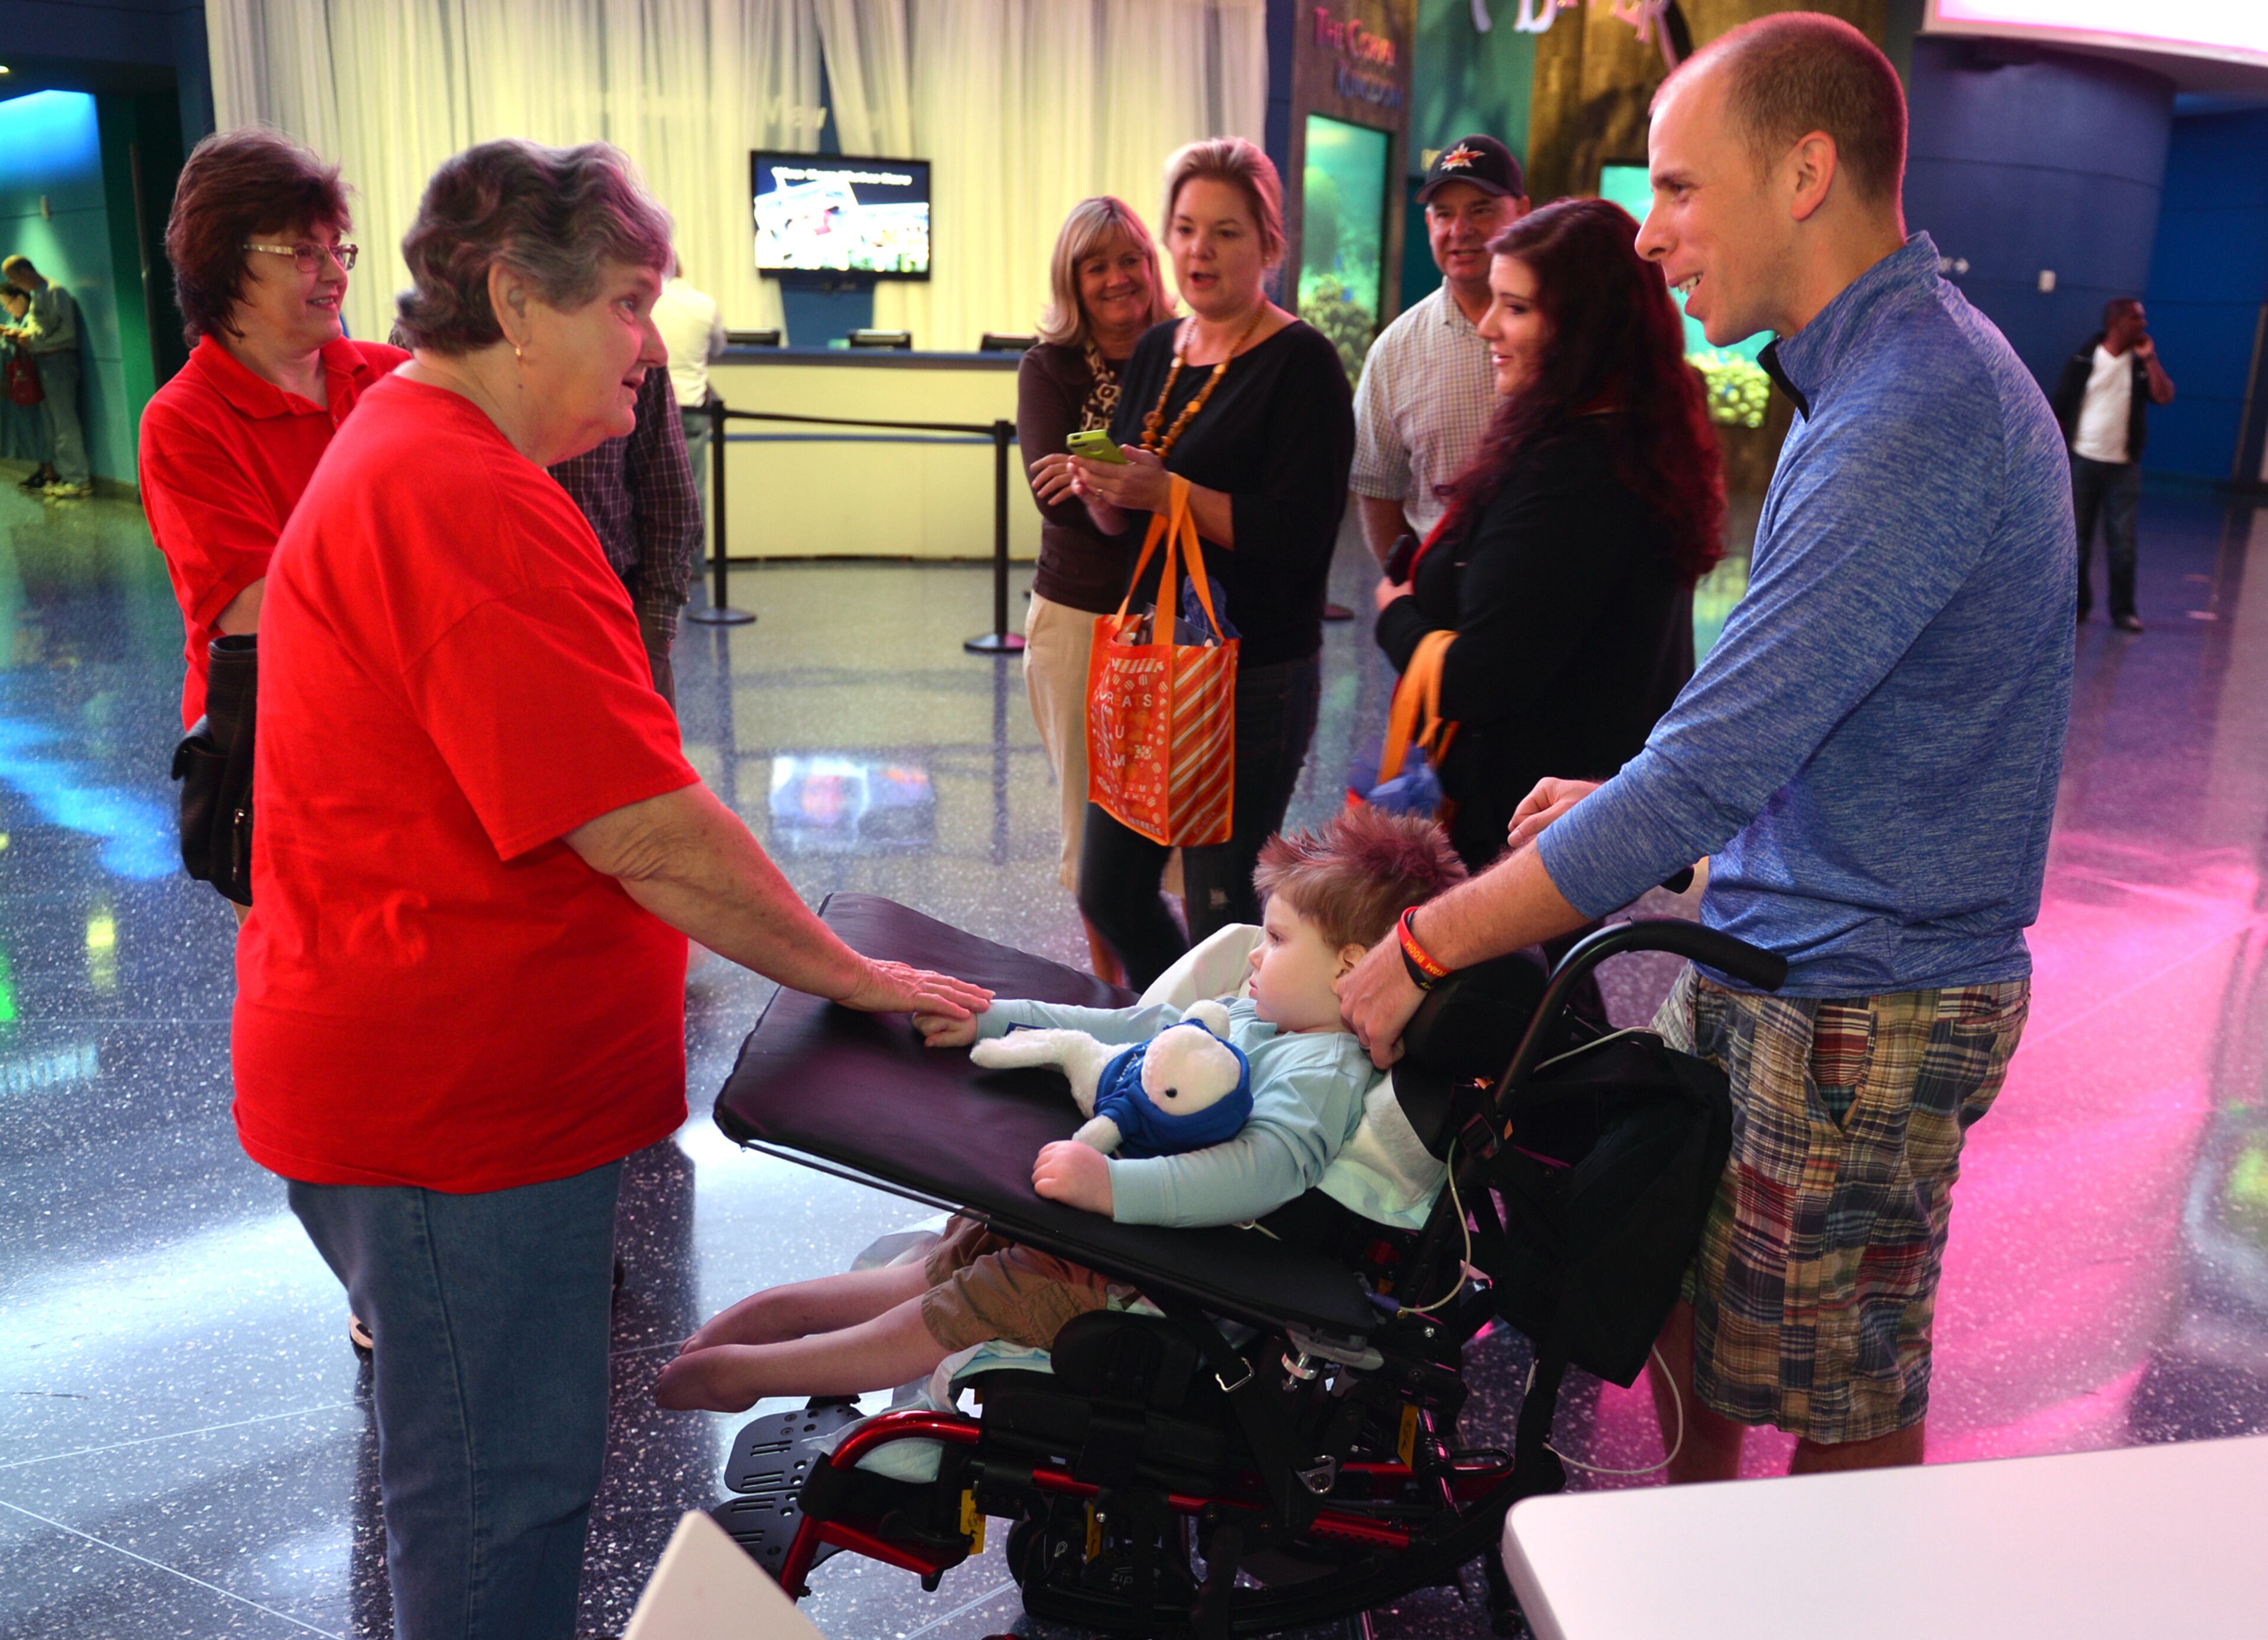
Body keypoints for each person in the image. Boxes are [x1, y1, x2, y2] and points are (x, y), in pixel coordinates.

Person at [236, 137, 990, 1639]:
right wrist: (854, 974)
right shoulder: (463, 498)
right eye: (629, 303)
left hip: (432, 1085)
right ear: (518, 299)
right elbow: (639, 825)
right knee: (495, 1505)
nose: (651, 339)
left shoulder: (426, 457)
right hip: (453, 1114)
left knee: (480, 1485)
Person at [1340, 12, 2073, 1483]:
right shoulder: (1859, 377)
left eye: (1676, 189)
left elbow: (1706, 765)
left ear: (1803, 172)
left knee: (1838, 1390)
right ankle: (1689, 1549)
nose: (1650, 234)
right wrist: (1637, 800)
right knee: (1677, 1283)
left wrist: (1422, 943)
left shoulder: (1908, 409)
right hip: (1786, 957)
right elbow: (1793, 716)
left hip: (1866, 998)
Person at [651, 805, 1465, 1411]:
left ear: (1354, 966)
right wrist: (994, 1017)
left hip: (1136, 1279)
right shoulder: (1265, 1015)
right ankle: (782, 1311)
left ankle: (756, 1377)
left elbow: (1261, 1175)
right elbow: (1129, 1029)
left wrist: (1113, 1190)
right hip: (1100, 1233)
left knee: (947, 1310)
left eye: (1279, 941)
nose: (1255, 952)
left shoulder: (1322, 1068)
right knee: (953, 1262)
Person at [1070, 138, 1357, 990]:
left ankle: (1223, 1069)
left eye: (1227, 232)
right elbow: (1130, 513)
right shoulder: (1161, 349)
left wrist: (1170, 494)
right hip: (1153, 660)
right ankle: (1181, 1029)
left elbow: (1300, 537)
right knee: (1109, 888)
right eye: (1187, 229)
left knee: (1219, 904)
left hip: (1251, 671)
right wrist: (1105, 489)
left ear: (1270, 245)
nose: (1200, 250)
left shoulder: (1303, 364)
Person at [1373, 196, 1722, 876]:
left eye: (1517, 308)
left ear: (1585, 328)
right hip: (1567, 815)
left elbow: (1481, 679)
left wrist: (1396, 618)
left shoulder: (1571, 473)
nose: (1487, 326)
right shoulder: (1631, 433)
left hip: (1523, 829)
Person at [139, 128, 407, 736]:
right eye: (305, 253)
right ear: (224, 262)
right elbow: (265, 617)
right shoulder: (184, 422)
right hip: (281, 747)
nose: (337, 274)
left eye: (339, 249)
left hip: (409, 725)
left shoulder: (393, 379)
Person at [1018, 196, 1176, 983]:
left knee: (1174, 827)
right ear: (1073, 281)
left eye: (1131, 260)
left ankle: (1174, 984)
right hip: (1078, 622)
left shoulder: (1187, 353)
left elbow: (1212, 487)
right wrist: (1143, 485)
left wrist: (1098, 475)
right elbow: (1056, 502)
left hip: (1175, 622)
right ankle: (1114, 996)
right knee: (1096, 832)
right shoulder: (1050, 367)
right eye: (1097, 265)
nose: (1118, 279)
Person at [1349, 134, 1528, 564]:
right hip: (1445, 597)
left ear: (1522, 213)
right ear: (1428, 225)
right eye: (1443, 214)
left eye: (1480, 211)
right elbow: (1377, 489)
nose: (1459, 231)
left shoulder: (1567, 327)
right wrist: (1411, 591)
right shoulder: (1394, 351)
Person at [548, 361, 703, 706]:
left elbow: (669, 495)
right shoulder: (438, 336)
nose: (657, 348)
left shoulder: (632, 345)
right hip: (489, 626)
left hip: (611, 608)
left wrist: (654, 633)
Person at [2049, 296, 2174, 633]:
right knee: (2077, 543)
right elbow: (2059, 409)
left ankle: (2123, 611)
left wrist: (2151, 360)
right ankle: (2077, 608)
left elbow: (2164, 396)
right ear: (2116, 322)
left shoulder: (2139, 363)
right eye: (2137, 318)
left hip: (2123, 469)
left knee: (2122, 543)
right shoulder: (2085, 357)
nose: (2143, 324)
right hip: (2083, 463)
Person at [0, 255, 90, 497]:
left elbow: (64, 331)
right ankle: (65, 473)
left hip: (58, 361)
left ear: (25, 272)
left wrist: (31, 339)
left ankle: (78, 479)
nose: (14, 284)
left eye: (13, 278)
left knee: (64, 422)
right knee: (53, 423)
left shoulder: (54, 292)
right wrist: (17, 332)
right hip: (43, 361)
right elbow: (41, 328)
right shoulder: (39, 294)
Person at [650, 260, 725, 524]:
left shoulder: (649, 304)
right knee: (694, 493)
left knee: (653, 493)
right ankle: (694, 565)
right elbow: (717, 348)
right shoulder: (705, 305)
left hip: (653, 408)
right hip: (693, 407)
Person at [1, 282, 50, 468]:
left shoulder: (33, 319)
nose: (6, 308)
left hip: (34, 380)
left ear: (21, 299)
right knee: (28, 427)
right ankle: (41, 468)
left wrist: (10, 335)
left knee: (41, 425)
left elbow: (35, 340)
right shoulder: (14, 320)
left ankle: (49, 471)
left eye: (8, 303)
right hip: (16, 381)